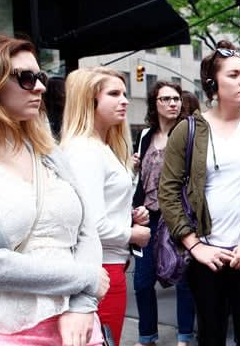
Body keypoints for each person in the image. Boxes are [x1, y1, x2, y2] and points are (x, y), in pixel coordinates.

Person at [159, 41, 240, 345]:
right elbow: (168, 191)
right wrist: (195, 246)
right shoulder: (187, 130)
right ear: (212, 84)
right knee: (211, 335)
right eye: (234, 75)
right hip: (207, 257)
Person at [0, 34, 109, 345]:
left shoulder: (49, 151)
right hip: (8, 331)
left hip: (79, 326)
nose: (41, 87)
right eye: (26, 78)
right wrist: (85, 279)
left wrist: (84, 305)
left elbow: (87, 230)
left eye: (39, 76)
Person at [60, 67, 151, 345]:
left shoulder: (97, 147)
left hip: (107, 267)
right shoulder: (86, 150)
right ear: (90, 100)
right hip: (101, 269)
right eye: (114, 94)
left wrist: (128, 215)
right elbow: (90, 224)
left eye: (124, 93)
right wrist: (132, 233)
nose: (124, 100)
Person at [131, 81, 195, 346]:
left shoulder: (188, 133)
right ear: (154, 104)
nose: (172, 103)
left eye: (176, 99)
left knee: (182, 278)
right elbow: (142, 177)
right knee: (142, 281)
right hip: (147, 216)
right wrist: (133, 166)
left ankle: (184, 335)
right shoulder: (146, 135)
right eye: (166, 99)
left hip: (178, 215)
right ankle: (147, 335)